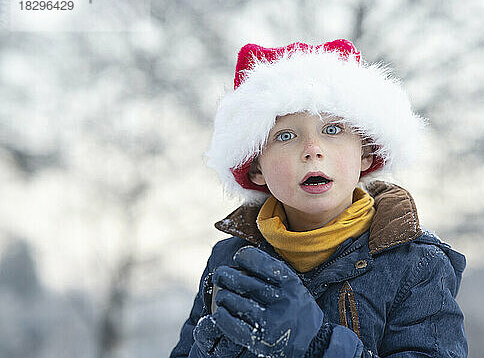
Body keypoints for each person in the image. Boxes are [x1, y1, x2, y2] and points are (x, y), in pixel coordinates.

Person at [169, 39, 468, 358]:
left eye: (333, 130)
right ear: (255, 167)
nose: (312, 149)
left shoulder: (417, 264)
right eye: (286, 135)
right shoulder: (229, 261)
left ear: (366, 154)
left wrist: (317, 345)